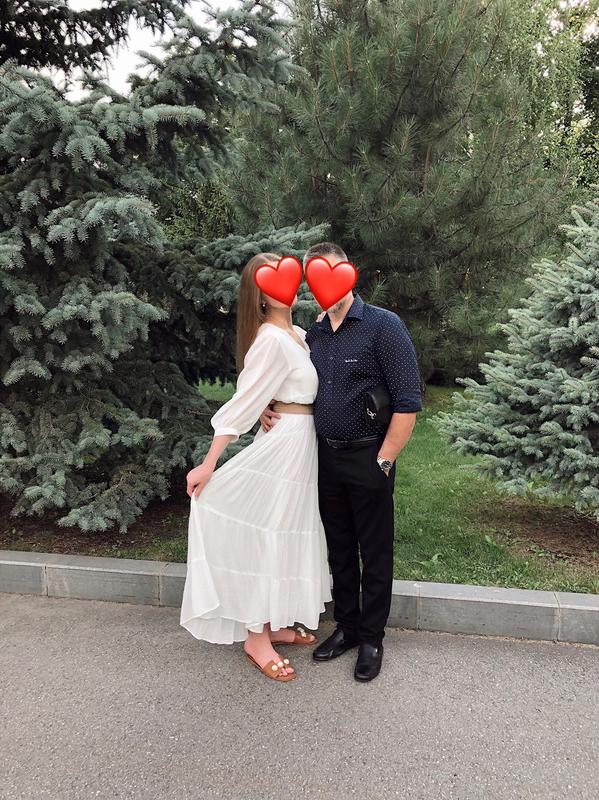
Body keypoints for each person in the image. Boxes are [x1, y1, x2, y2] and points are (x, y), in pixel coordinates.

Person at [260, 242, 422, 682]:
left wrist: (384, 461)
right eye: (314, 277)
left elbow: (408, 401)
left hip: (370, 456)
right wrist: (264, 406)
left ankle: (372, 638)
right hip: (324, 457)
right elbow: (286, 377)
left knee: (375, 551)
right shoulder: (314, 334)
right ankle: (347, 628)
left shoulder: (383, 326)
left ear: (349, 272)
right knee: (339, 549)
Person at [180, 252, 332, 683]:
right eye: (273, 283)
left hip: (300, 445)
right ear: (260, 297)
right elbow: (243, 400)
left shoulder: (297, 334)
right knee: (267, 534)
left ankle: (275, 621)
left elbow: (282, 385)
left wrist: (273, 401)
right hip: (282, 449)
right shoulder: (270, 339)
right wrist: (209, 463)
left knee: (285, 533)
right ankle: (256, 637)